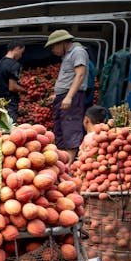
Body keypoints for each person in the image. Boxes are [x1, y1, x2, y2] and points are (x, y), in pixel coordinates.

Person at [46, 29, 89, 163]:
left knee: (71, 128)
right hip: (63, 96)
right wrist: (58, 95)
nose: (53, 50)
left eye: (53, 46)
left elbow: (80, 74)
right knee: (61, 129)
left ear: (62, 43)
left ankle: (69, 165)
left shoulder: (78, 52)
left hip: (73, 97)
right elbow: (68, 78)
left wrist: (69, 96)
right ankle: (63, 162)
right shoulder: (67, 56)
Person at [0, 39, 26, 122]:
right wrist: (23, 90)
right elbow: (12, 87)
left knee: (0, 127)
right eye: (21, 52)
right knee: (9, 128)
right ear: (17, 49)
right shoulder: (15, 65)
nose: (21, 56)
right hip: (10, 103)